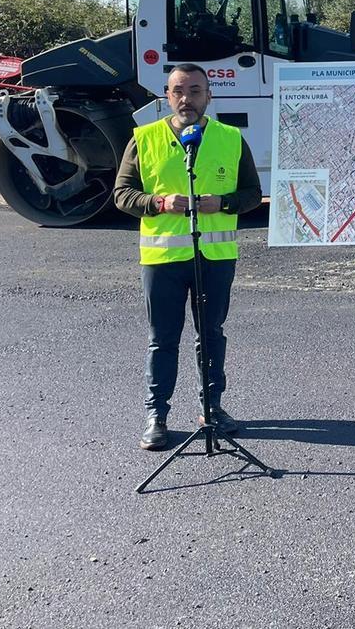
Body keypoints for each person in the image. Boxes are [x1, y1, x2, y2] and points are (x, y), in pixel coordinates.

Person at [113, 63, 262, 450]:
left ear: (208, 96)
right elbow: (122, 195)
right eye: (179, 91)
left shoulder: (230, 138)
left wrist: (223, 202)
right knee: (162, 338)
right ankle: (156, 416)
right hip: (162, 260)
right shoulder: (143, 139)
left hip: (214, 258)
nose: (187, 99)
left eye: (195, 91)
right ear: (167, 95)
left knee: (211, 335)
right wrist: (159, 202)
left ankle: (211, 409)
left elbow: (251, 193)